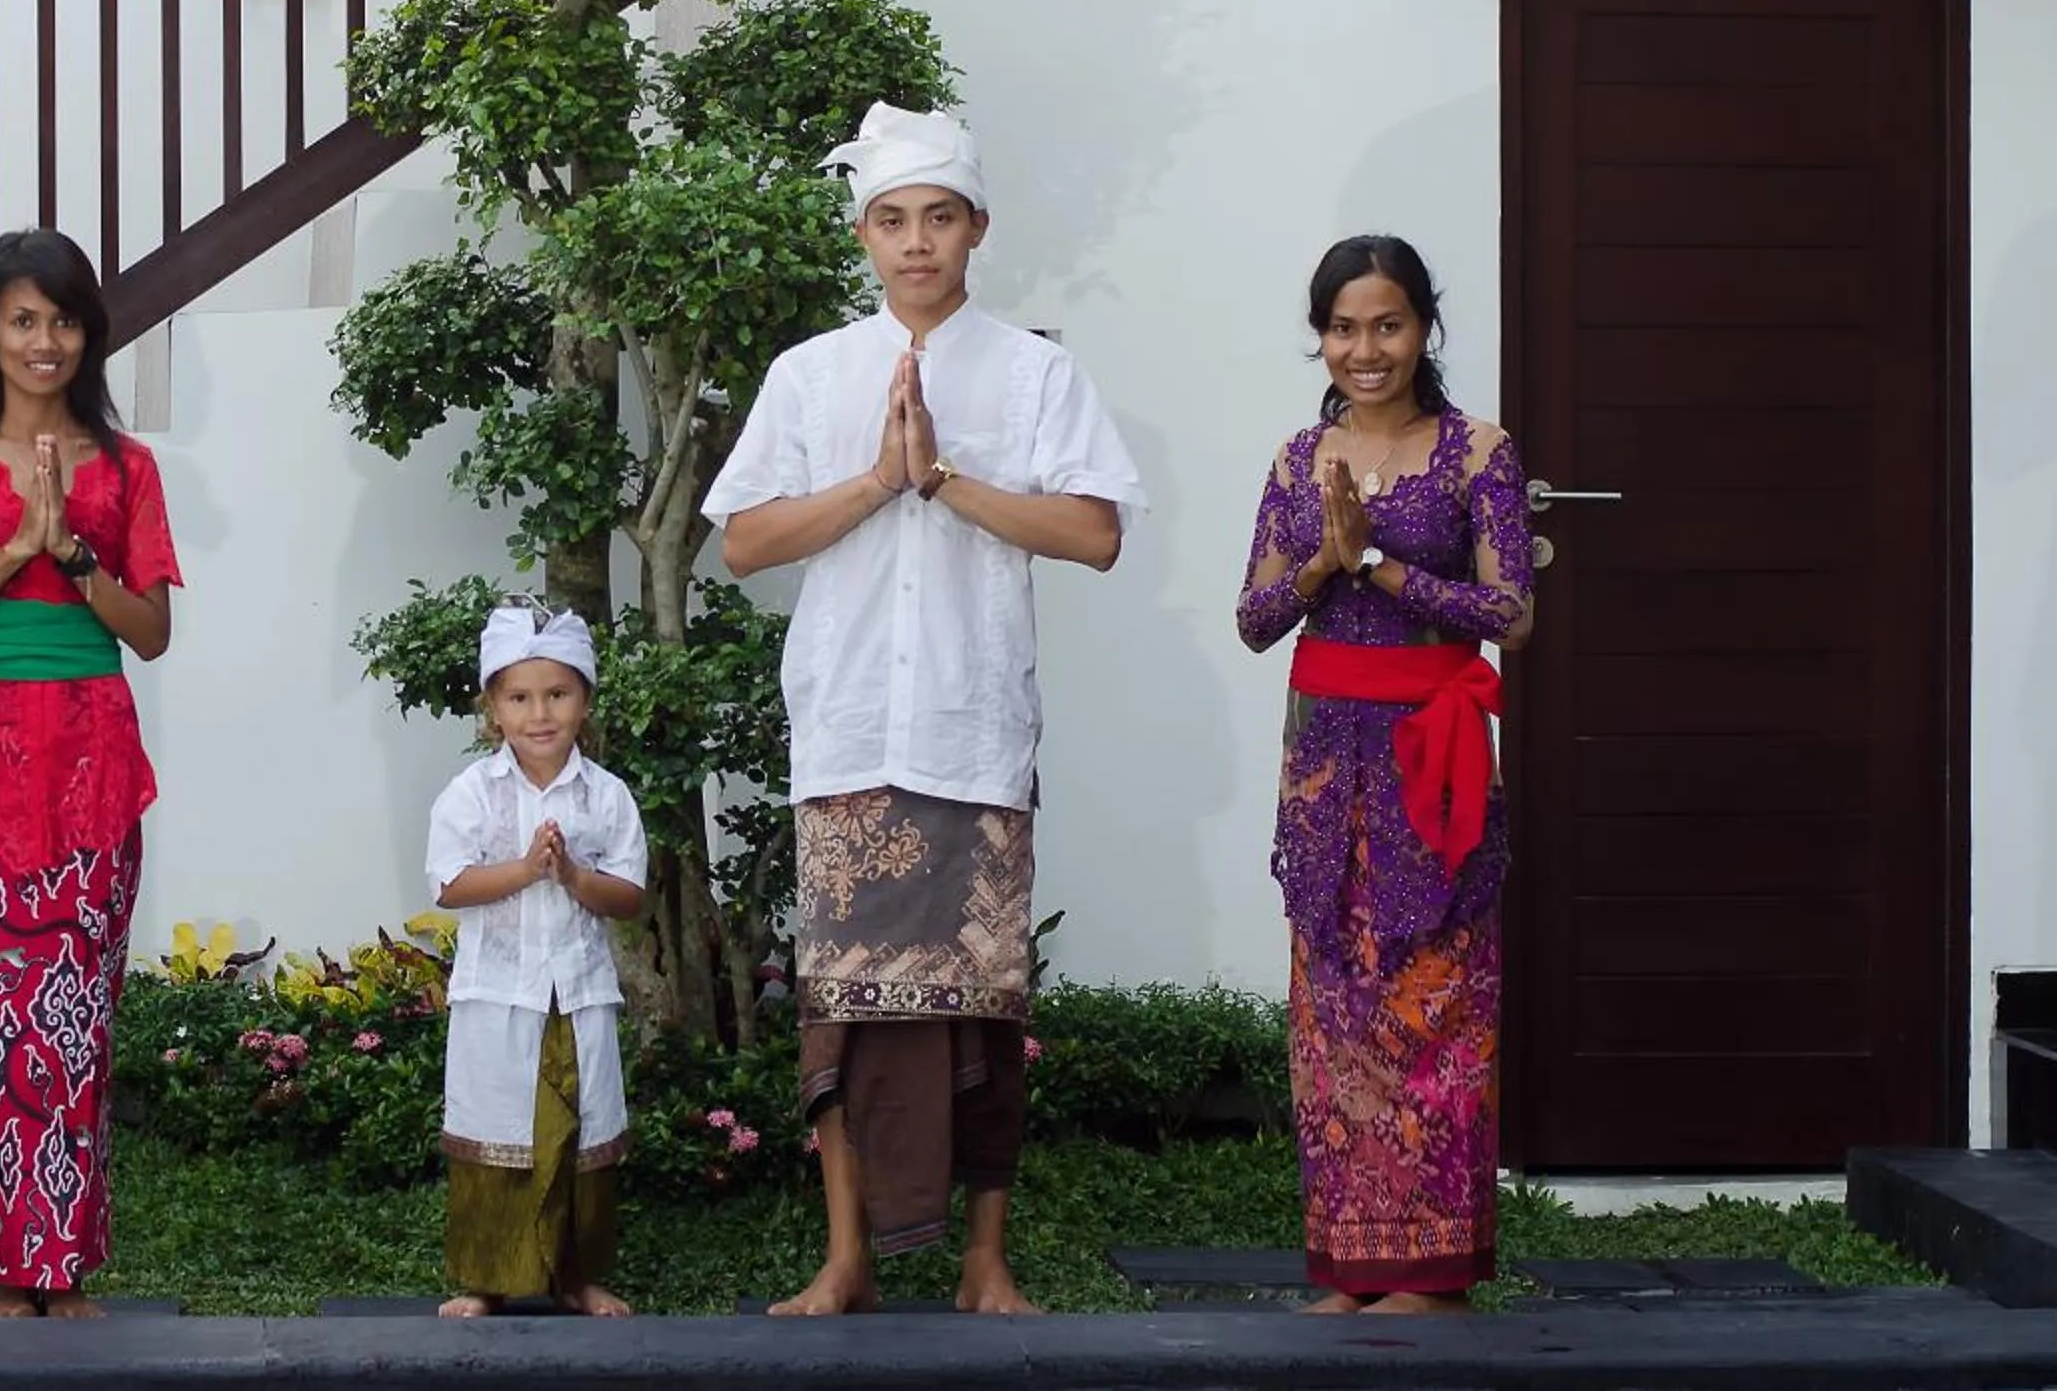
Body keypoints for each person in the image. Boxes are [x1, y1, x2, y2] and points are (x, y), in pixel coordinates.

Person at [702, 101, 1144, 1317]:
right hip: (847, 729)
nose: (915, 243)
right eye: (892, 220)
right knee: (842, 1007)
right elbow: (745, 541)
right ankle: (846, 1256)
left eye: (937, 218)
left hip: (973, 729)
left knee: (988, 1011)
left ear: (977, 228)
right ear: (862, 232)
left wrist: (946, 480)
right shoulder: (810, 373)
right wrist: (877, 481)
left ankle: (983, 1262)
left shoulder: (1035, 369)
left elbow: (1095, 531)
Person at [0, 228, 179, 1318]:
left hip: (93, 756)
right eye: (21, 320)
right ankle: (10, 1271)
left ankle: (68, 1265)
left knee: (78, 1017)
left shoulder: (129, 466)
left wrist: (78, 554)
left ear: (87, 331)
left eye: (61, 319)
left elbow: (148, 631)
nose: (43, 340)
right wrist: (15, 549)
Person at [1234, 234, 1532, 1315]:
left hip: (1432, 757)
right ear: (1320, 337)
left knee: (1436, 1000)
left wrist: (1378, 562)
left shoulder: (1477, 451)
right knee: (1335, 1010)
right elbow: (1257, 618)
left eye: (1389, 324)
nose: (1367, 348)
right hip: (1323, 761)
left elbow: (1512, 612)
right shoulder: (1292, 462)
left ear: (1424, 329)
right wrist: (1323, 556)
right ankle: (1352, 1265)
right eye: (1345, 327)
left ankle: (1432, 1273)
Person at [425, 602, 648, 1320]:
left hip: (577, 996)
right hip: (500, 996)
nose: (540, 713)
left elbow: (629, 893)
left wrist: (575, 878)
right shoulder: (472, 793)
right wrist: (525, 869)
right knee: (496, 1136)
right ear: (493, 708)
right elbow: (450, 883)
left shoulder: (606, 796)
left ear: (584, 701)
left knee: (581, 1138)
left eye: (558, 694)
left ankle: (578, 1278)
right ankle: (485, 1281)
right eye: (519, 697)